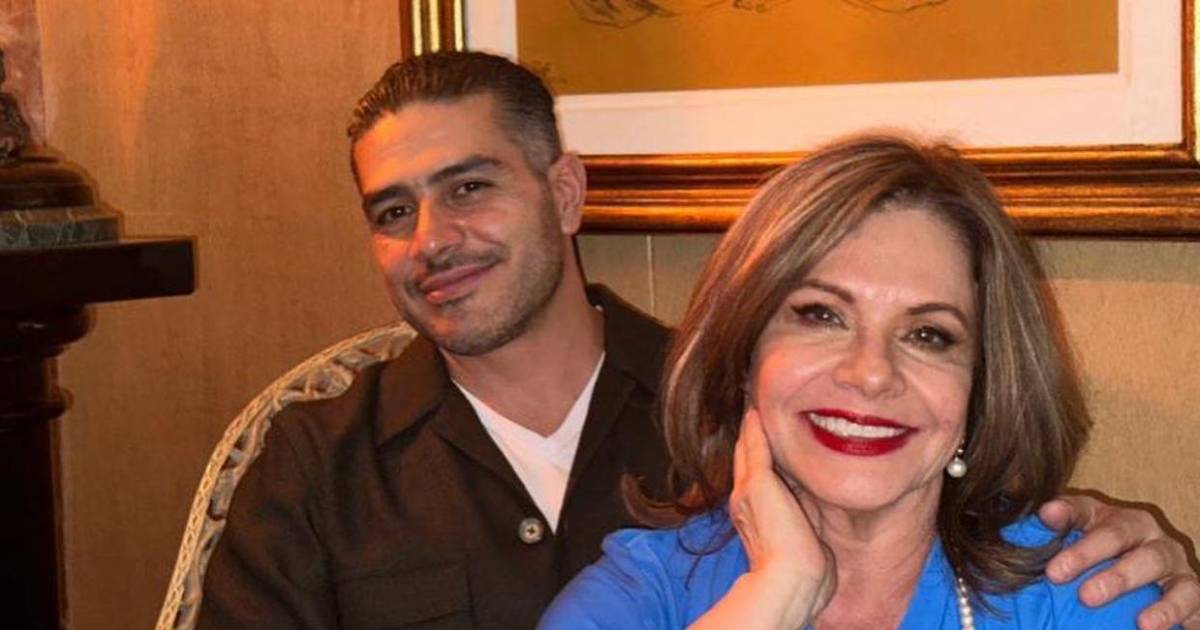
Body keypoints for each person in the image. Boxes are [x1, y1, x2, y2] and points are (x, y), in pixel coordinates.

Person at [197, 52, 1200, 629]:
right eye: (392, 211)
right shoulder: (313, 463)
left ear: (564, 192)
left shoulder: (739, 401)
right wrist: (779, 593)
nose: (432, 240)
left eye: (469, 187)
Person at [538, 134, 1192, 629]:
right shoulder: (635, 597)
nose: (872, 373)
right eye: (821, 315)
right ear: (742, 354)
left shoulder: (1083, 596)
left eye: (928, 335)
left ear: (982, 387)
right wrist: (778, 593)